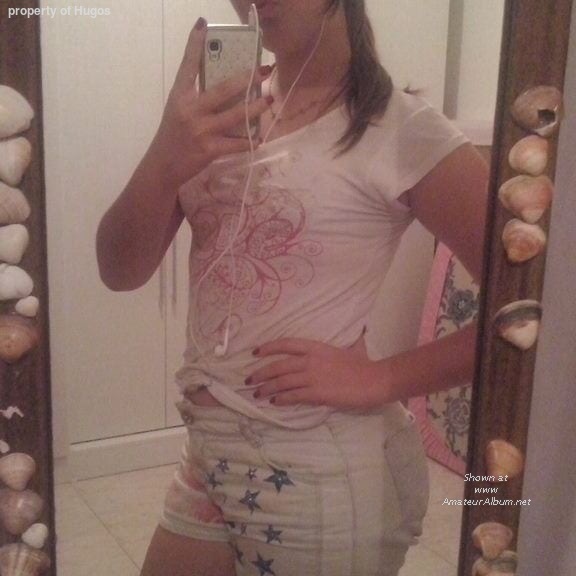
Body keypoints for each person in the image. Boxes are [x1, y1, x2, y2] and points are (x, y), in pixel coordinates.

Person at [96, 1, 488, 574]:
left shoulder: (402, 130)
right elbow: (119, 270)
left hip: (315, 466)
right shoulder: (224, 114)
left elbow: (537, 307)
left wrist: (380, 379)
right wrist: (165, 153)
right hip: (207, 449)